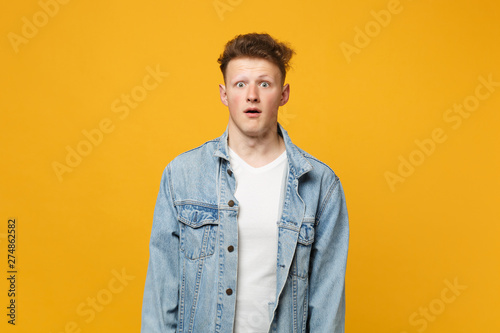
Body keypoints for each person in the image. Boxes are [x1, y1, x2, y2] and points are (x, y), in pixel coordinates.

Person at [141, 32, 349, 333]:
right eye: (241, 84)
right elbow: (160, 298)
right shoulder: (182, 175)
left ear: (283, 94)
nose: (252, 95)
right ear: (225, 94)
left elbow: (327, 305)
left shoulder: (320, 185)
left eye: (264, 84)